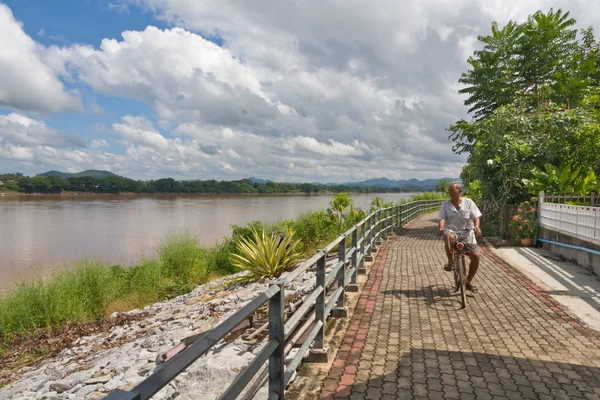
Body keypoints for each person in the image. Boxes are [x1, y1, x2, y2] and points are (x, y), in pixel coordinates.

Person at [436, 182, 482, 293]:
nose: (450, 192)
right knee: (448, 236)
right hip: (452, 230)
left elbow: (476, 216)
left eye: (453, 190)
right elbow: (442, 218)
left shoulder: (469, 202)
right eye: (449, 190)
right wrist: (441, 228)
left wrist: (477, 227)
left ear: (459, 191)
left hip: (467, 232)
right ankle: (450, 261)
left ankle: (468, 282)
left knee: (475, 256)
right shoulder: (445, 205)